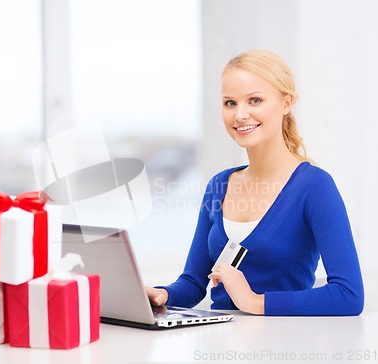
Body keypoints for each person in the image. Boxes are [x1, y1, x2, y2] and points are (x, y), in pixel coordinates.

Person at [146, 49, 364, 316]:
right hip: (220, 347)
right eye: (230, 103)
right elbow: (193, 283)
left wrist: (254, 302)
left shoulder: (314, 186)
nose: (240, 115)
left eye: (255, 100)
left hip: (284, 346)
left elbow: (348, 295)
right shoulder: (219, 185)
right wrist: (163, 294)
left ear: (287, 103)